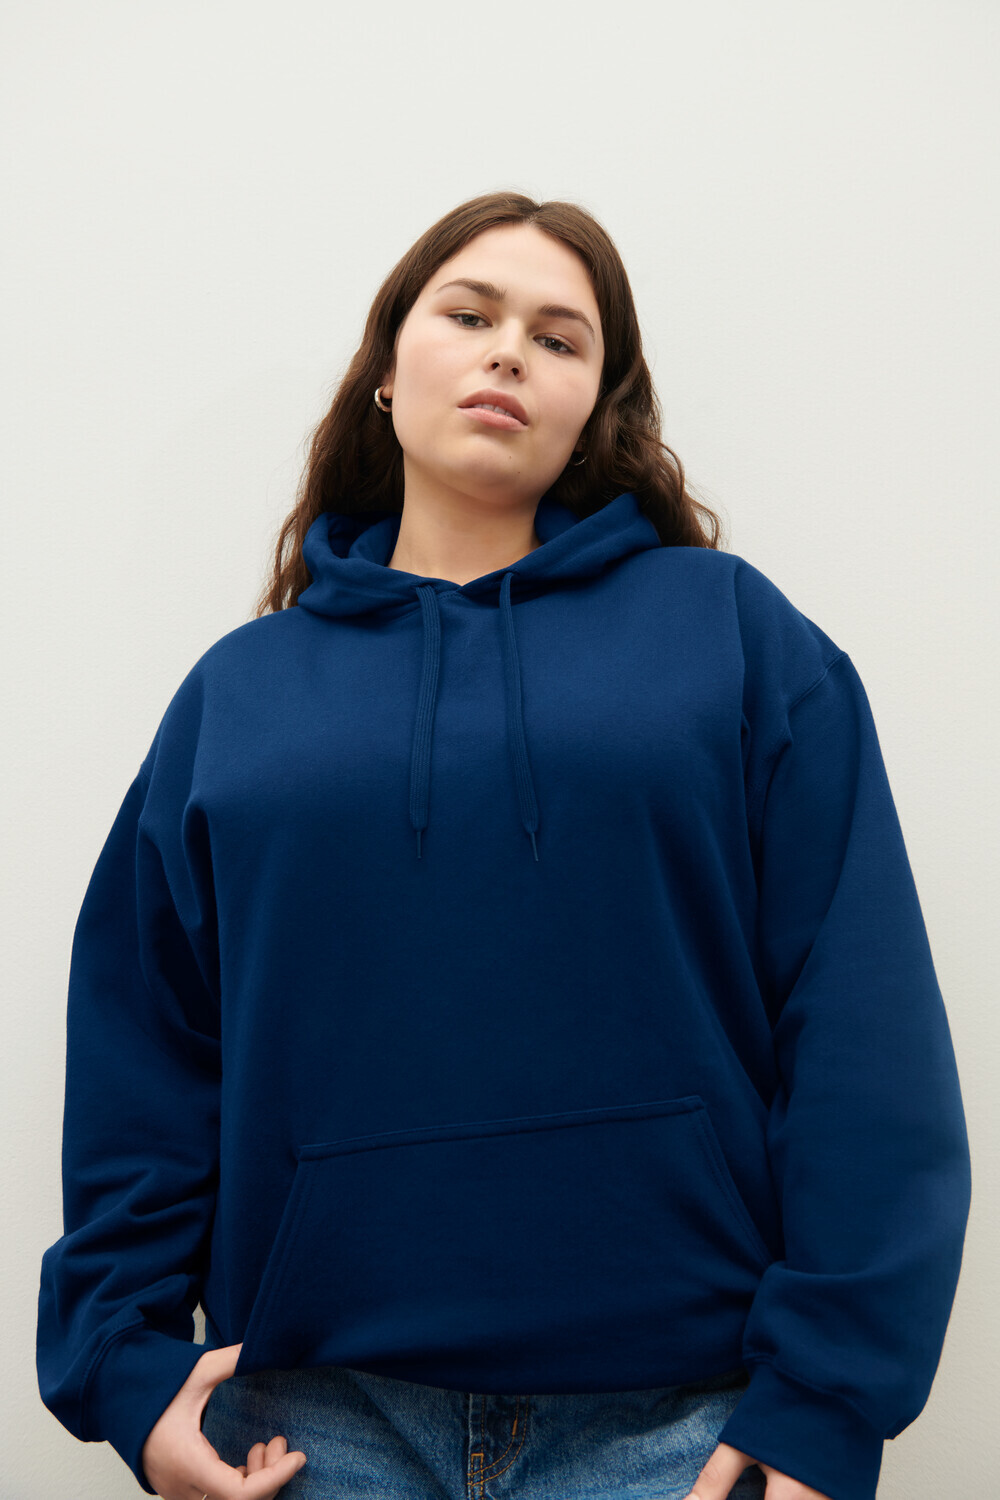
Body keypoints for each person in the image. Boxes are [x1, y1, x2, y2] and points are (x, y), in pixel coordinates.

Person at [36, 191, 971, 1500]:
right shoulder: (239, 696)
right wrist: (126, 1370)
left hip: (684, 1427)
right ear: (386, 369)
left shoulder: (733, 637)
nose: (509, 353)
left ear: (598, 404)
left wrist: (826, 1399)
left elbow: (859, 1019)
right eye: (469, 315)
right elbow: (146, 1051)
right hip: (311, 1425)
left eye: (558, 336)